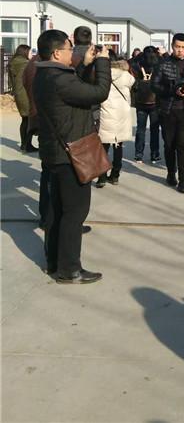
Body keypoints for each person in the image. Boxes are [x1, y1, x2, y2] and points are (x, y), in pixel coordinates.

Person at [33, 30, 111, 283]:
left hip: (56, 152)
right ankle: (69, 270)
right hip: (71, 154)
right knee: (74, 212)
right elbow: (99, 92)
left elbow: (72, 90)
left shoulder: (45, 74)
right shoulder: (59, 79)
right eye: (69, 49)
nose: (72, 53)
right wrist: (103, 62)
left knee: (57, 210)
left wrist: (84, 65)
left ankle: (54, 262)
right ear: (57, 53)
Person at [151, 33, 184, 193]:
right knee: (169, 145)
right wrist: (173, 90)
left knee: (183, 145)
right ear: (172, 46)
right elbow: (154, 85)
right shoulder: (163, 64)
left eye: (183, 47)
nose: (180, 50)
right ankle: (171, 173)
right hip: (168, 110)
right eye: (177, 47)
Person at [96, 52, 135, 187]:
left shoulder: (101, 74)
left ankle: (102, 177)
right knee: (118, 145)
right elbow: (133, 82)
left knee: (103, 146)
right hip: (122, 112)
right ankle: (115, 175)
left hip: (106, 112)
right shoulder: (125, 75)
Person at [23, 53, 50, 228]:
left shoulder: (33, 63)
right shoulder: (48, 68)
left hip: (40, 120)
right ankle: (49, 218)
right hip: (50, 126)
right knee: (53, 175)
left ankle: (46, 216)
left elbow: (25, 83)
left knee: (47, 172)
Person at [130, 46, 161, 164]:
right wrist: (162, 54)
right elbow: (167, 61)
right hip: (155, 101)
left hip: (141, 101)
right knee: (154, 130)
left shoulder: (138, 64)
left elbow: (130, 61)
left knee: (140, 129)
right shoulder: (159, 65)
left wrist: (139, 55)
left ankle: (139, 155)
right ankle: (154, 154)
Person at [8, 44, 36, 152]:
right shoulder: (25, 63)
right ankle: (27, 145)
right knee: (28, 119)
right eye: (30, 52)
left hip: (19, 94)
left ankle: (25, 144)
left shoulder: (14, 62)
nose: (31, 54)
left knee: (25, 119)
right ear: (25, 52)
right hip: (25, 94)